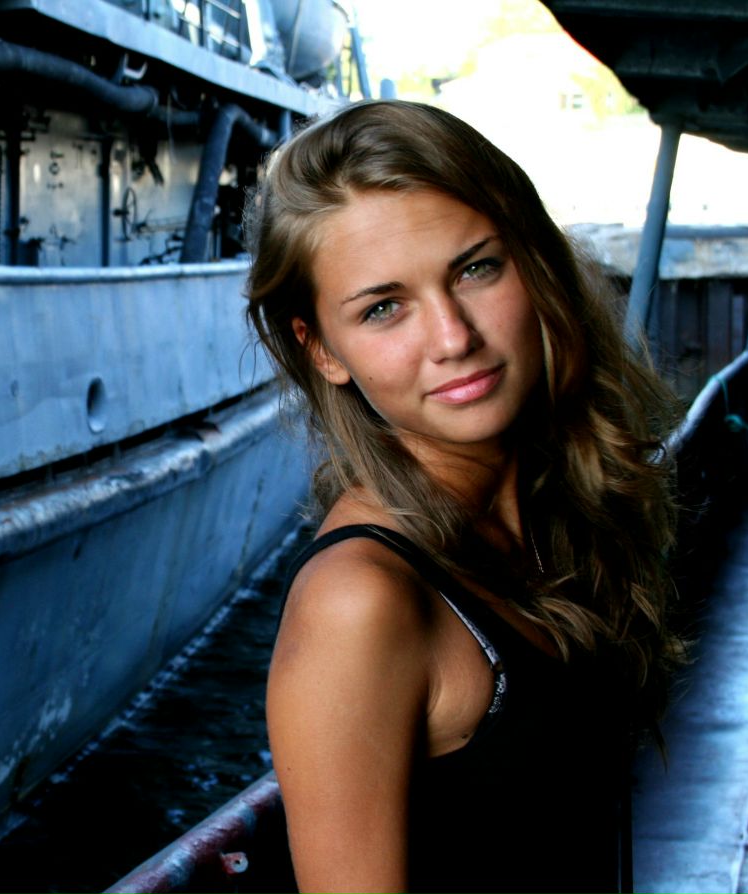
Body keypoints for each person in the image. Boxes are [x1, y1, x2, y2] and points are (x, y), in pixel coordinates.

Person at [245, 100, 685, 893]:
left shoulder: (547, 519)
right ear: (323, 351)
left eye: (475, 269)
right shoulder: (361, 603)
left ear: (534, 261)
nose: (453, 338)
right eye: (384, 308)